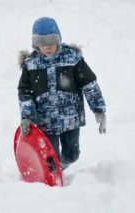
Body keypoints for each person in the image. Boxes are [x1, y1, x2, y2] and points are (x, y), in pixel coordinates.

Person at [17, 17, 106, 171]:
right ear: (36, 44)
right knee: (51, 160)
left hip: (71, 118)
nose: (48, 48)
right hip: (46, 121)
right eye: (42, 44)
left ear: (58, 39)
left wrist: (99, 109)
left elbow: (89, 84)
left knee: (72, 155)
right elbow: (25, 93)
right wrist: (27, 117)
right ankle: (53, 176)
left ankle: (61, 166)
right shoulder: (31, 65)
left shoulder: (72, 59)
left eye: (51, 43)